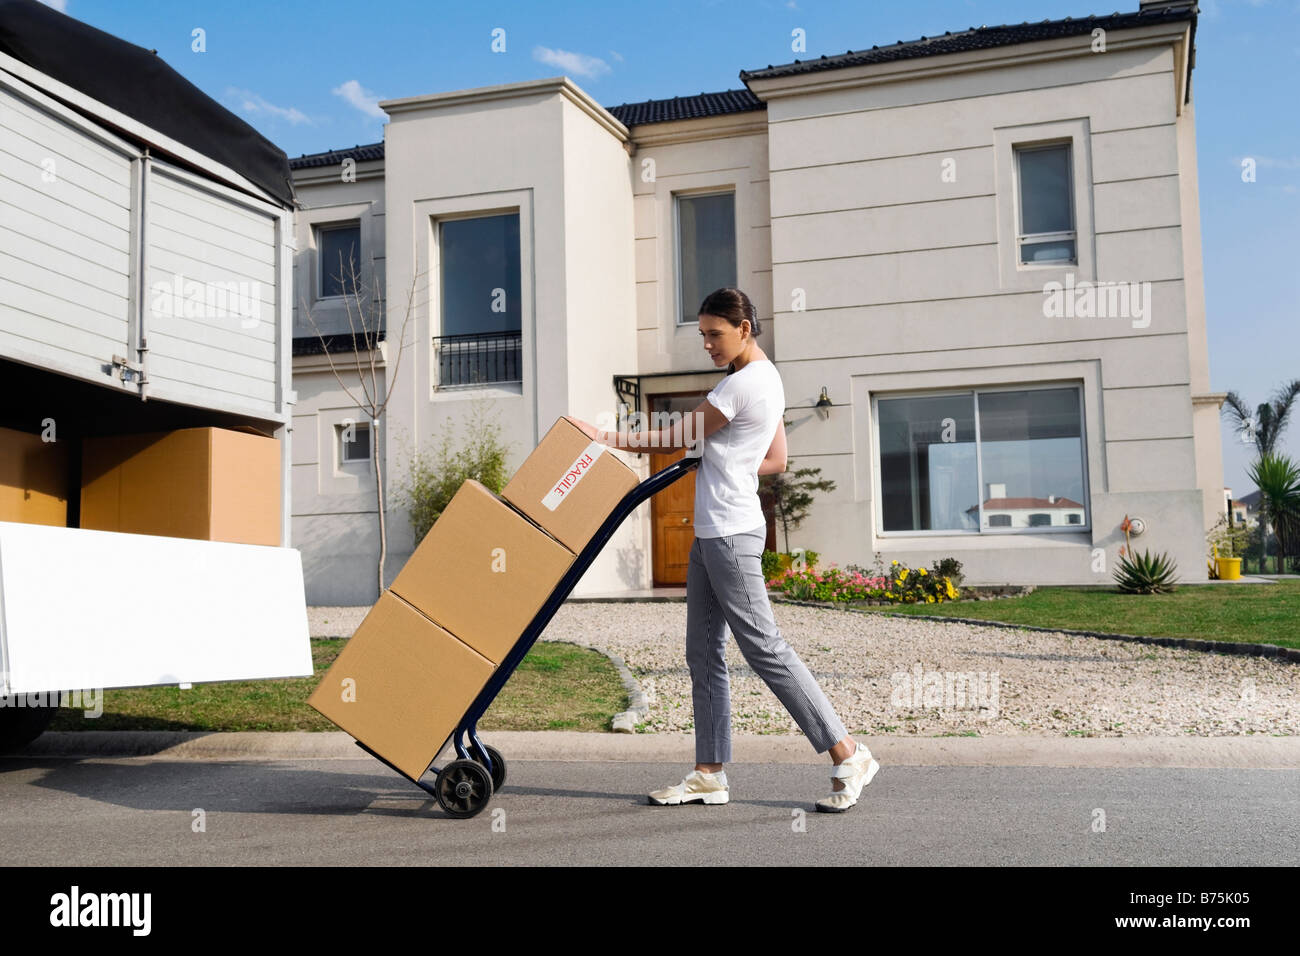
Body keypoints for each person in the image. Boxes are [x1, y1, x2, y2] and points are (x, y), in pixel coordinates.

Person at [564, 286, 879, 812]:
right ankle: (709, 773)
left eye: (715, 334)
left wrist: (601, 435)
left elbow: (673, 437)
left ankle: (848, 753)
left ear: (744, 329)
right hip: (714, 534)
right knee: (702, 652)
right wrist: (729, 462)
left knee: (764, 647)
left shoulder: (740, 385)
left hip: (730, 535)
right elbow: (776, 457)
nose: (707, 344)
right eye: (702, 335)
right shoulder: (764, 379)